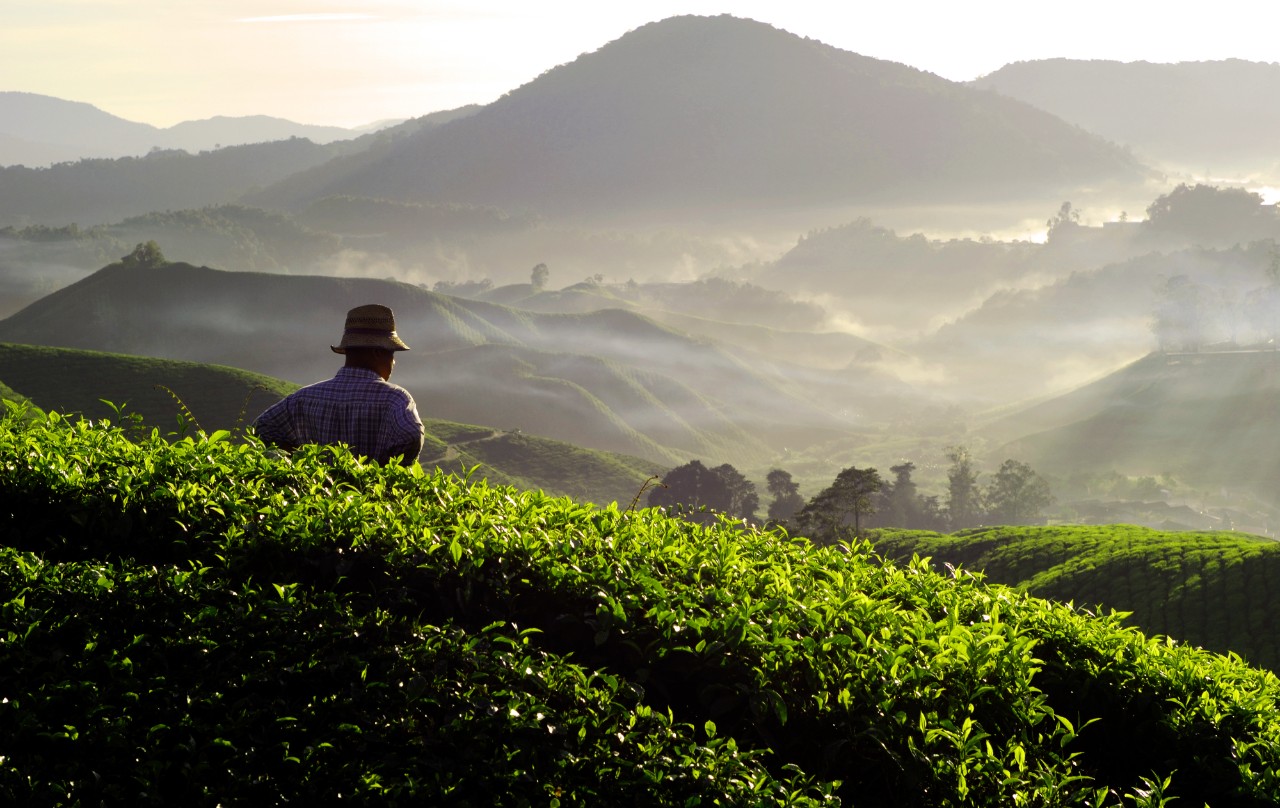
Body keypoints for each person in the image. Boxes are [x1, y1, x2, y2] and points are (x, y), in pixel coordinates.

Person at [252, 303, 425, 466]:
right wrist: (385, 471)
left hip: (316, 495)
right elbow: (411, 435)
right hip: (372, 496)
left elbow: (262, 427)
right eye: (391, 355)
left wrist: (299, 462)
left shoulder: (304, 398)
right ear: (378, 352)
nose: (393, 363)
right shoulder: (395, 399)